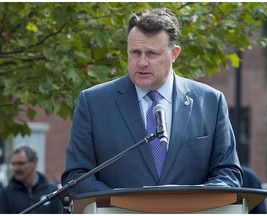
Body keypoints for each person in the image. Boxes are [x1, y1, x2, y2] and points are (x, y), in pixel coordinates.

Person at [61, 7, 243, 196]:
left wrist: (190, 201)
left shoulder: (210, 102)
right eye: (135, 52)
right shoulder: (93, 103)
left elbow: (228, 174)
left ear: (174, 54)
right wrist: (123, 204)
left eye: (152, 54)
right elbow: (77, 177)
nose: (142, 62)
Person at [0, 145, 63, 213]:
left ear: (34, 163)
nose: (16, 168)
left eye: (21, 163)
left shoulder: (52, 191)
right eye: (13, 164)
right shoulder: (5, 193)